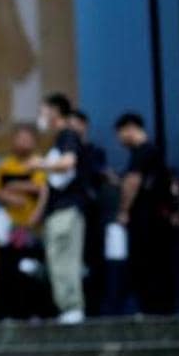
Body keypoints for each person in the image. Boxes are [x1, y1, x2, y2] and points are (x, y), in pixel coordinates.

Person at [32, 93, 88, 324]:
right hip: (57, 212)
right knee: (57, 260)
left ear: (55, 112)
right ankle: (67, 308)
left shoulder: (68, 135)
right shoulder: (58, 140)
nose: (41, 116)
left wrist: (42, 164)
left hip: (68, 211)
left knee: (66, 259)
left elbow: (68, 163)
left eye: (44, 110)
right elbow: (50, 185)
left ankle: (73, 308)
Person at [114, 112, 177, 315]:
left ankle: (153, 309)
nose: (120, 139)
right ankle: (157, 308)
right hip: (156, 220)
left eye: (120, 133)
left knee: (146, 265)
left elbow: (133, 182)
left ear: (129, 128)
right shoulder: (152, 153)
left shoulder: (143, 151)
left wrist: (123, 211)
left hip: (147, 221)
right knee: (156, 266)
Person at [0, 123, 49, 320]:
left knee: (30, 269)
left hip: (31, 227)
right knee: (7, 270)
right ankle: (9, 313)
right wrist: (8, 197)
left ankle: (34, 311)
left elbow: (40, 188)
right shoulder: (5, 165)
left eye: (27, 138)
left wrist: (14, 184)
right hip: (9, 228)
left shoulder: (39, 163)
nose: (23, 142)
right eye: (19, 138)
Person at [70, 109, 110, 316]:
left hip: (92, 214)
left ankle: (95, 308)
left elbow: (102, 174)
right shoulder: (66, 152)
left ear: (84, 125)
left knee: (94, 261)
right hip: (72, 213)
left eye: (75, 124)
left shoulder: (94, 152)